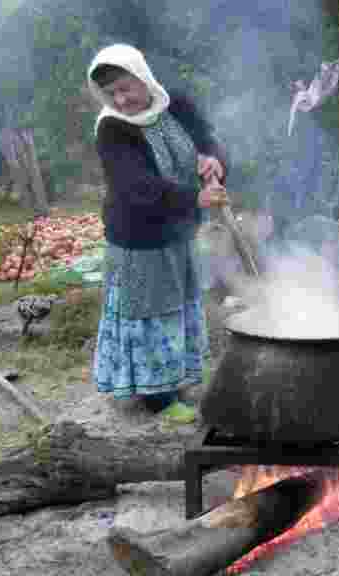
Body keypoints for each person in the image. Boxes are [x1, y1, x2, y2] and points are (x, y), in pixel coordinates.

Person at [87, 44, 230, 422]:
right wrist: (196, 197)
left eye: (126, 88)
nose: (121, 99)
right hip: (140, 238)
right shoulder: (113, 129)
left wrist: (213, 157)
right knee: (150, 316)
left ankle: (176, 380)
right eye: (111, 93)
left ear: (143, 77)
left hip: (178, 231)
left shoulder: (175, 105)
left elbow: (206, 138)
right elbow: (138, 188)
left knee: (175, 309)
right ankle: (158, 398)